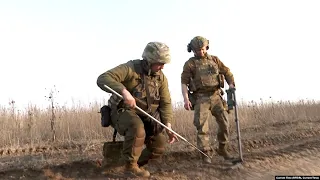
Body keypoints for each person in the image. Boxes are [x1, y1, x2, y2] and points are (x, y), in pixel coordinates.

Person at [97, 41, 178, 178]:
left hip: (145, 115)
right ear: (150, 60)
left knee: (159, 144)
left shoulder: (161, 78)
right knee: (137, 127)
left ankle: (125, 164)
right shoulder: (130, 68)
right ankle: (130, 167)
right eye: (160, 63)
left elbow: (165, 103)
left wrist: (168, 125)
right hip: (121, 112)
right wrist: (124, 92)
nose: (162, 67)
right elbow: (103, 78)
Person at [180, 36, 235, 163]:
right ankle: (205, 153)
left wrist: (231, 83)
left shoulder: (215, 60)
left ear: (207, 47)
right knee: (202, 126)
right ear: (192, 50)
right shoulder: (190, 64)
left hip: (216, 96)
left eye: (203, 49)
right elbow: (184, 83)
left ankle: (222, 148)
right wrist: (186, 99)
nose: (201, 52)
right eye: (197, 50)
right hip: (200, 98)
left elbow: (227, 72)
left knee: (224, 123)